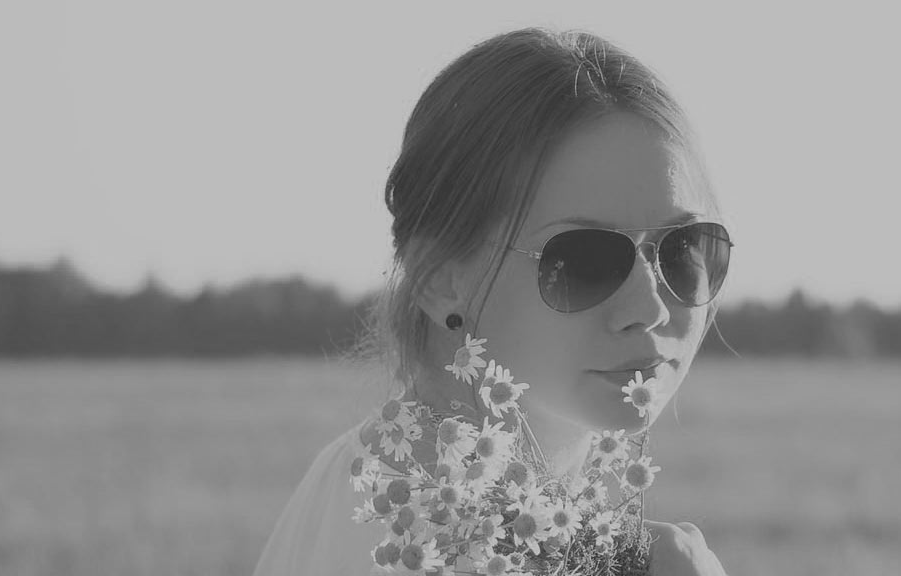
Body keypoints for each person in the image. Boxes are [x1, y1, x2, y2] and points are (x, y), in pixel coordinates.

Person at [252, 27, 733, 576]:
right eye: (583, 260)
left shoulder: (359, 480)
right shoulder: (455, 550)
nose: (649, 306)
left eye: (683, 249)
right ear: (441, 280)